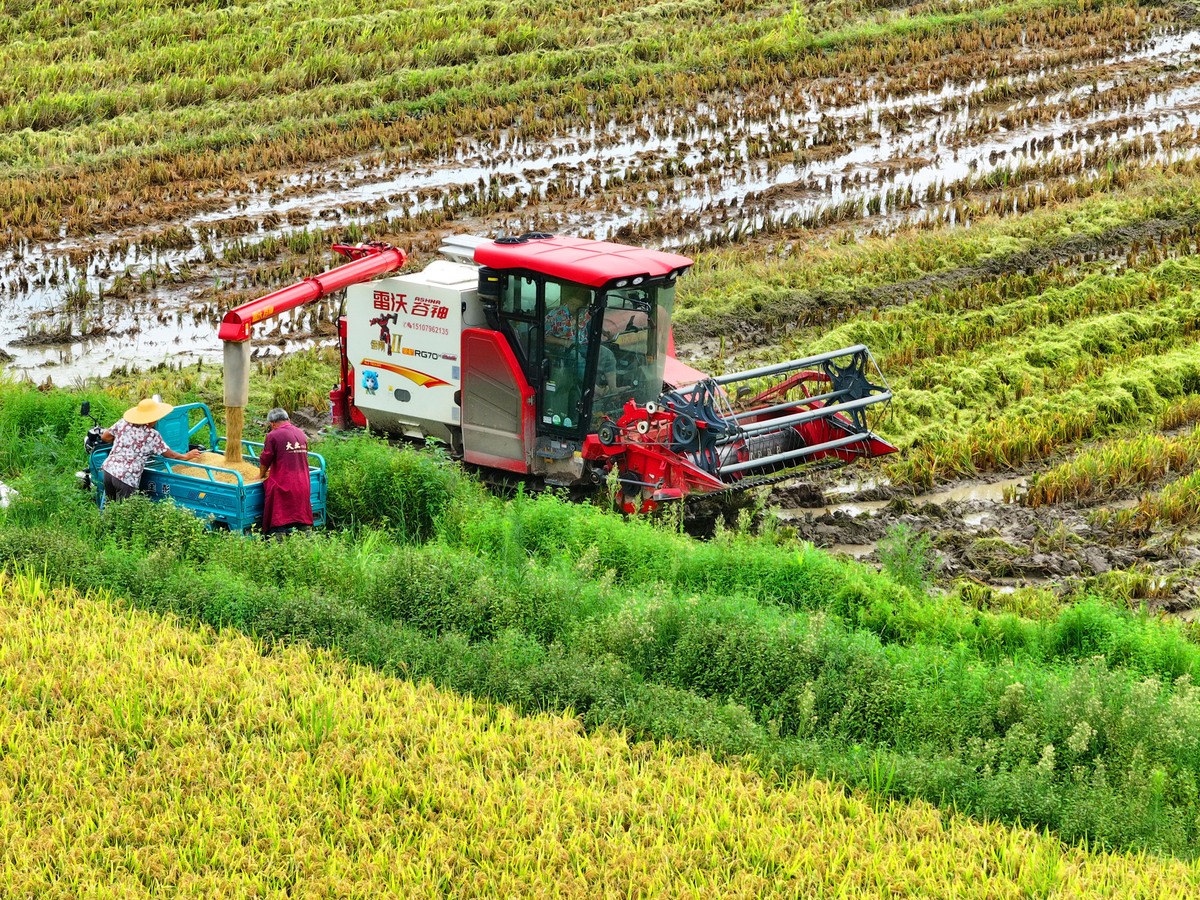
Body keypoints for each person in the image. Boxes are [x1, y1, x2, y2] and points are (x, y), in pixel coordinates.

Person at [100, 397, 201, 503]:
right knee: (124, 512)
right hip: (126, 477)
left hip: (109, 471)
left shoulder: (123, 423)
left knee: (110, 507)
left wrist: (123, 443)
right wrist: (186, 456)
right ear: (151, 419)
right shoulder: (151, 435)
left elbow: (105, 437)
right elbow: (170, 455)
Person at [258, 407, 313, 538]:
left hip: (284, 483)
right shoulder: (301, 433)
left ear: (272, 423)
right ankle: (308, 545)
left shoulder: (273, 435)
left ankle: (279, 546)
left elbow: (266, 460)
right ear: (288, 419)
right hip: (303, 482)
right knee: (302, 519)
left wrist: (260, 475)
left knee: (279, 519)